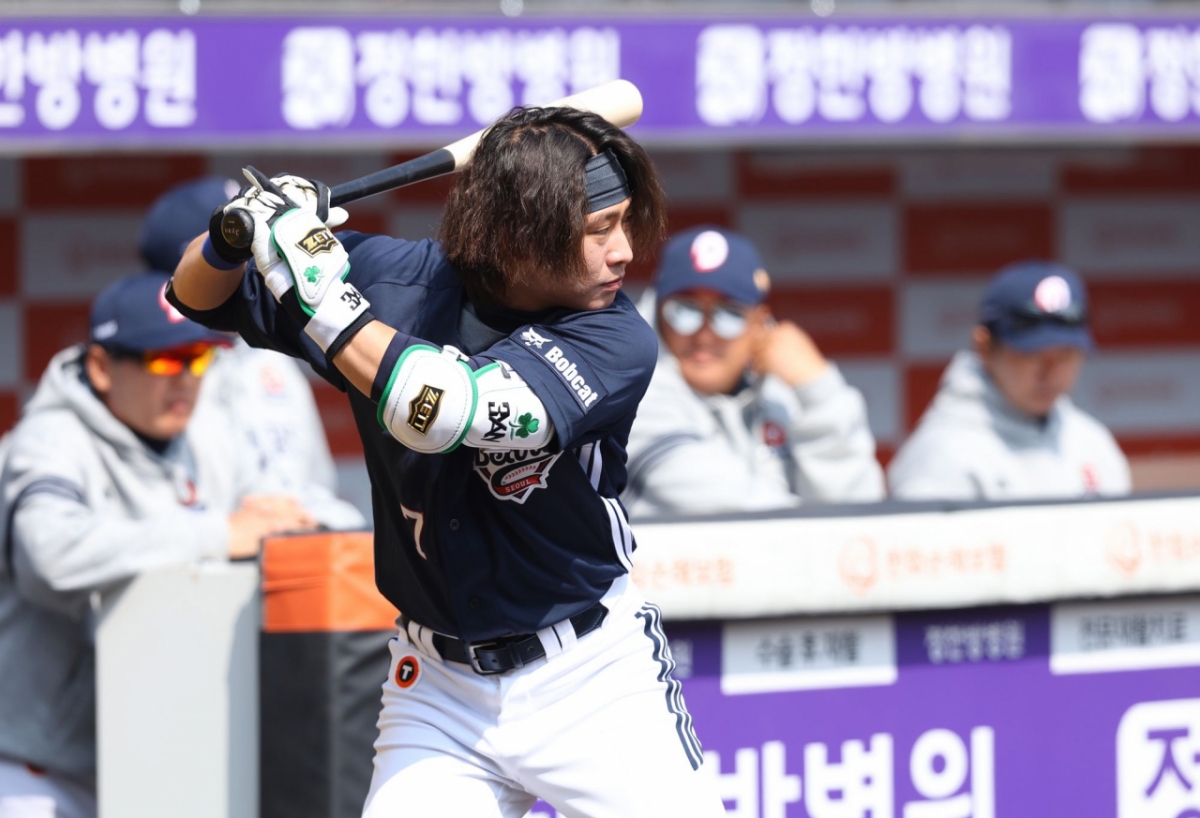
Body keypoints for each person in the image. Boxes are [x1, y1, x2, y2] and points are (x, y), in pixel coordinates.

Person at [168, 107, 726, 817]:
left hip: (587, 675)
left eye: (623, 224)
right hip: (439, 691)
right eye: (598, 230)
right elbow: (194, 294)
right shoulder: (395, 282)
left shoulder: (613, 336)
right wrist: (236, 231)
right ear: (524, 233)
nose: (623, 252)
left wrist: (314, 286)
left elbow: (441, 412)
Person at [0, 274, 316, 817]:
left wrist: (293, 524)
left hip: (150, 760)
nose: (186, 381)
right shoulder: (48, 441)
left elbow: (267, 510)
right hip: (40, 772)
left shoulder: (204, 436)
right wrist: (217, 535)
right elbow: (49, 557)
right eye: (165, 362)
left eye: (198, 359)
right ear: (102, 368)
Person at [141, 177, 366, 529]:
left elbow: (317, 483)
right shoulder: (156, 365)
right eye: (244, 241)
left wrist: (320, 521)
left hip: (292, 558)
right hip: (208, 568)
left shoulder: (271, 357)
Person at [623, 226, 884, 517]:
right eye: (685, 310)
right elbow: (729, 510)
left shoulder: (782, 398)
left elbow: (862, 509)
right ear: (657, 314)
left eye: (730, 314)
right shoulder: (628, 394)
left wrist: (818, 390)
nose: (705, 335)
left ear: (760, 324)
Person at [888, 260, 1130, 500]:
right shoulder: (941, 455)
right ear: (984, 347)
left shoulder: (1093, 442)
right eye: (1032, 353)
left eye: (1066, 355)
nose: (1051, 371)